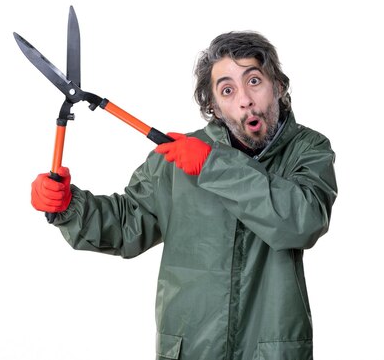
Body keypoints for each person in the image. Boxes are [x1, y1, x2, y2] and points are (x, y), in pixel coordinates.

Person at [30, 31, 337, 360]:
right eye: (228, 90)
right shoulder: (175, 161)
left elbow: (302, 221)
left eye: (255, 81)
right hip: (191, 348)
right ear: (215, 107)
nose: (245, 99)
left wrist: (213, 166)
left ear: (277, 86)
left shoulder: (309, 150)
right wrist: (68, 207)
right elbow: (125, 227)